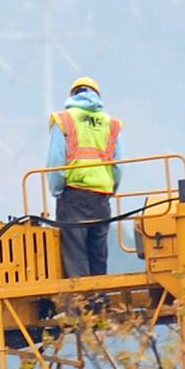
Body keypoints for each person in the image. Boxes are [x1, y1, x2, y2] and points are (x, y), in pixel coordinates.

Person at [50, 77, 121, 278]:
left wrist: (57, 190)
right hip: (101, 196)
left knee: (75, 254)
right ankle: (99, 302)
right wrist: (110, 189)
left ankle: (80, 306)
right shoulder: (110, 124)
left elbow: (56, 161)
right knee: (98, 252)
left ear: (73, 94)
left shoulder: (63, 120)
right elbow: (118, 166)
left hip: (74, 195)